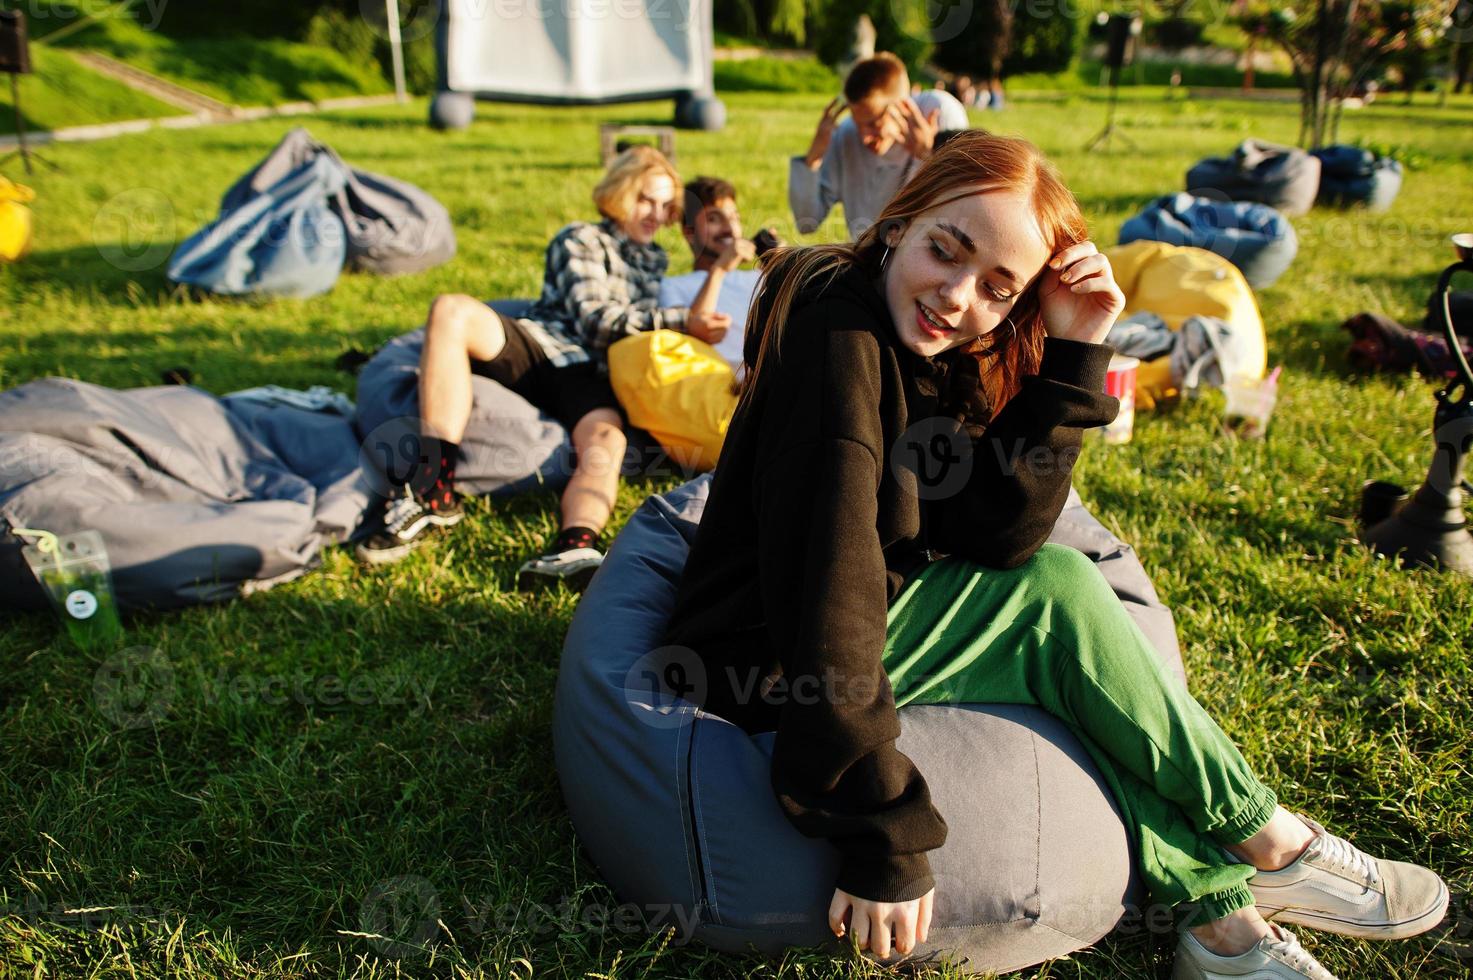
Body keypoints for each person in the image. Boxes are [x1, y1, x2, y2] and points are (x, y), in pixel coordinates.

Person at [664, 131, 1448, 978]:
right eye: (945, 250)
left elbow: (995, 533)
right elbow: (829, 590)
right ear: (897, 222)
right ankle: (1271, 840)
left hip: (863, 609)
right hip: (767, 654)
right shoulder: (838, 352)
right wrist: (877, 828)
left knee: (1070, 636)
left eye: (997, 289)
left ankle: (1222, 930)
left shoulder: (929, 349)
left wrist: (1074, 350)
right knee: (1055, 599)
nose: (957, 297)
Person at [356, 146, 727, 588]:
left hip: (595, 376)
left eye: (666, 205)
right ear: (621, 192)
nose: (656, 213)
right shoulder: (580, 239)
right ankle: (434, 494)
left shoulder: (656, 261)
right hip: (544, 344)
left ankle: (576, 544)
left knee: (605, 439)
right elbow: (594, 321)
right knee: (451, 309)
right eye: (646, 198)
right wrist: (683, 319)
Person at [790, 52, 970, 242]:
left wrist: (927, 156)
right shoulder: (846, 135)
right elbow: (806, 224)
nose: (865, 138)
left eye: (873, 123)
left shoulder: (938, 114)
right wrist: (813, 157)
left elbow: (960, 213)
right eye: (858, 124)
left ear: (904, 106)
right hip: (870, 262)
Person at [657, 176, 768, 372]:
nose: (728, 228)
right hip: (716, 388)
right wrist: (719, 270)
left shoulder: (758, 278)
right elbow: (689, 340)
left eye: (734, 217)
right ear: (689, 232)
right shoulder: (672, 286)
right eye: (714, 219)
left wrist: (785, 264)